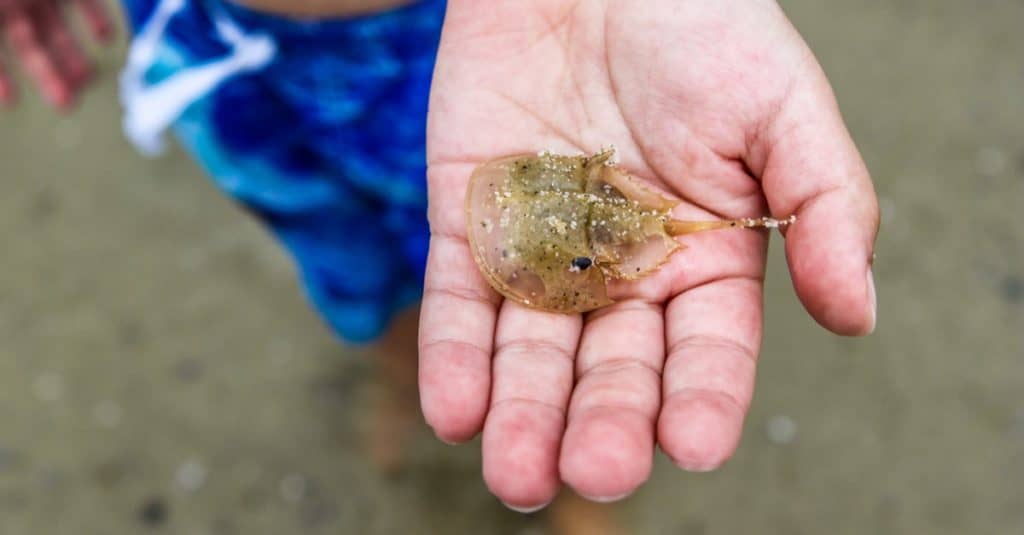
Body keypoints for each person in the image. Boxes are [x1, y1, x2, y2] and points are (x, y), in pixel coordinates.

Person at [4, 0, 880, 515]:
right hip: (210, 45)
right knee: (342, 252)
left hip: (476, 35)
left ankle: (578, 478)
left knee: (467, 273)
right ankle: (397, 359)